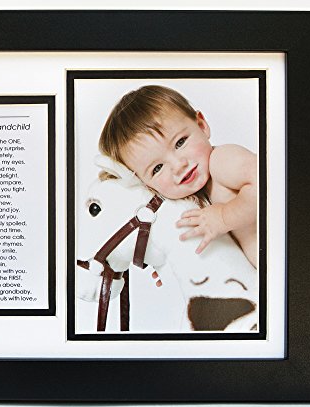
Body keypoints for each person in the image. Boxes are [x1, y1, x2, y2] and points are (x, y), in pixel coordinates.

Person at [98, 85, 257, 272]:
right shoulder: (195, 198)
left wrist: (223, 217)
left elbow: (268, 183)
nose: (178, 165)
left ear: (201, 125)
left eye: (180, 142)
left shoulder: (221, 160)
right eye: (157, 168)